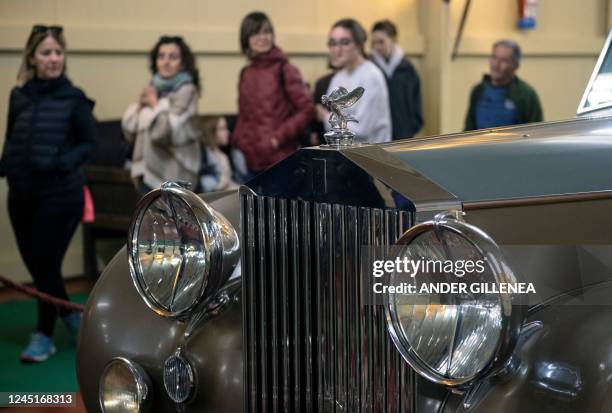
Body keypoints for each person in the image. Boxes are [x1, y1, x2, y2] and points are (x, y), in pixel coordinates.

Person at [0, 25, 96, 362]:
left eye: (58, 52)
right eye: (46, 52)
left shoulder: (74, 98)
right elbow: (12, 138)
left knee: (44, 266)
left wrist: (60, 163)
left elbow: (89, 143)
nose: (54, 58)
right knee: (43, 269)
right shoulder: (19, 96)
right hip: (21, 195)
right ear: (32, 57)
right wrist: (5, 165)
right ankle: (71, 316)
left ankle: (43, 336)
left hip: (60, 195)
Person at [232, 11, 315, 176]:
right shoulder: (246, 72)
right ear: (246, 38)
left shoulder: (285, 69)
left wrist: (277, 138)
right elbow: (244, 114)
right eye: (256, 33)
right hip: (250, 160)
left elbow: (307, 110)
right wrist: (238, 141)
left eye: (267, 32)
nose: (263, 37)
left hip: (280, 160)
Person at [122, 35, 201, 195]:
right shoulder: (153, 87)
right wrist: (139, 107)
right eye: (161, 56)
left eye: (173, 57)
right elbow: (130, 134)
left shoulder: (187, 91)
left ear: (183, 62)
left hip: (175, 175)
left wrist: (154, 104)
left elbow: (164, 133)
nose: (166, 62)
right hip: (147, 174)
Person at [319, 18, 391, 143]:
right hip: (344, 155)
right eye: (333, 43)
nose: (337, 49)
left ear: (359, 44)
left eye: (345, 42)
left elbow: (361, 129)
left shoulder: (371, 76)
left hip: (370, 157)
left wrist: (324, 117)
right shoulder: (337, 78)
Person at [464, 39, 543, 131]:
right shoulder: (478, 90)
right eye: (494, 57)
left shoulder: (526, 94)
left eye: (504, 60)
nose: (496, 65)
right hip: (480, 145)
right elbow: (468, 130)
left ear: (515, 66)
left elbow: (537, 132)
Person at [370, 19, 423, 140]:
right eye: (373, 43)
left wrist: (412, 126)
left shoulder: (407, 69)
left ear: (393, 39)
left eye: (381, 42)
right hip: (376, 136)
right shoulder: (370, 68)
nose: (376, 47)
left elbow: (416, 101)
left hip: (403, 135)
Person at [196, 116, 239, 192]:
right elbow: (205, 186)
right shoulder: (204, 157)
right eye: (222, 129)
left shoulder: (223, 155)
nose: (227, 132)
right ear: (211, 131)